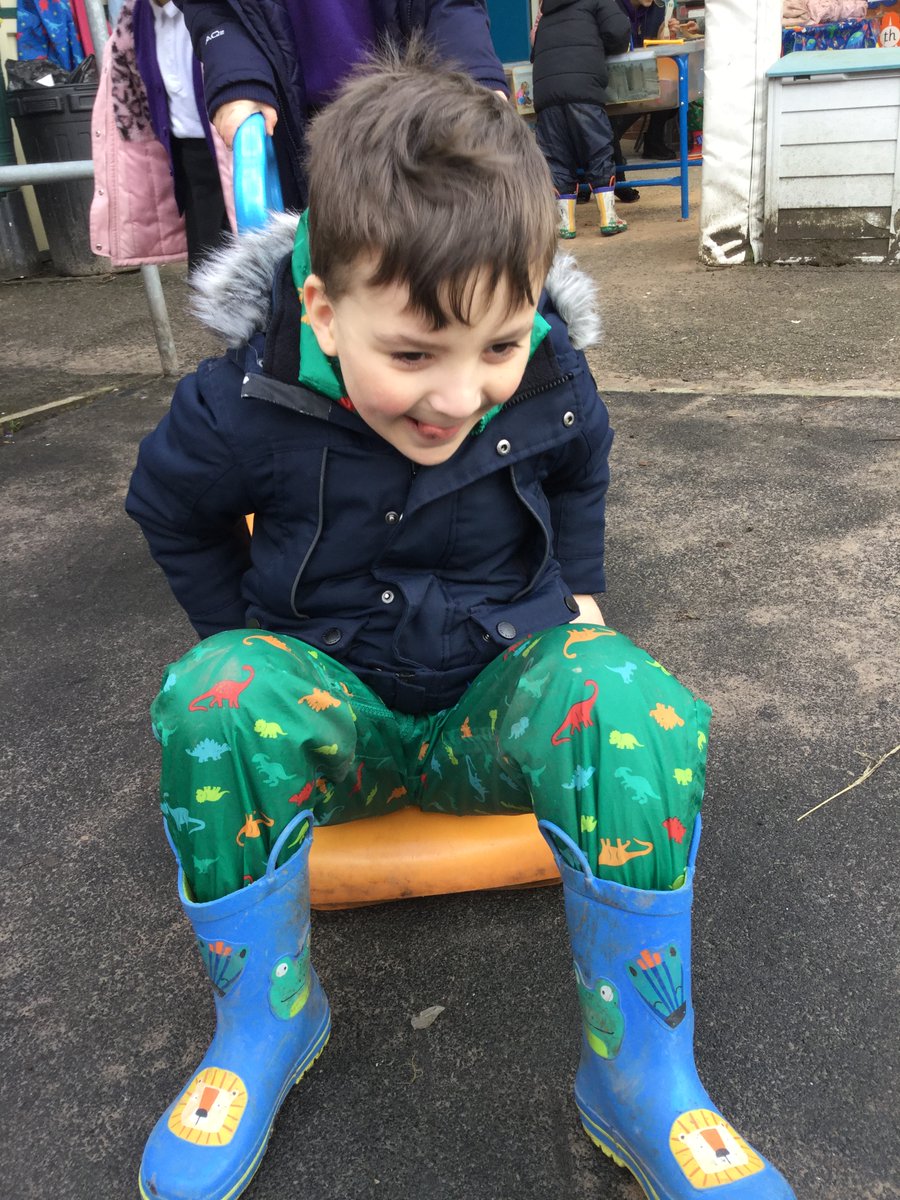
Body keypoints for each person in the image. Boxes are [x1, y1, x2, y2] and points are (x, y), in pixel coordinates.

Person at [125, 44, 795, 1200]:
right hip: (340, 716)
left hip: (497, 695)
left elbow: (585, 462)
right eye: (412, 354)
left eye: (498, 344)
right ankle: (266, 1024)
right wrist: (233, 636)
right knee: (216, 693)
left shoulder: (548, 368)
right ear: (327, 313)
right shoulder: (240, 400)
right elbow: (166, 508)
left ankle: (641, 1072)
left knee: (631, 694)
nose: (457, 394)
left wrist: (580, 584)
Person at [175, 0, 509, 211]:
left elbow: (451, 7)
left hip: (418, 112)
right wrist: (238, 72)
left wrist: (474, 75)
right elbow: (220, 10)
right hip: (303, 129)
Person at [90, 0, 230, 272]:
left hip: (244, 151)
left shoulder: (224, 10)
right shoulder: (134, 21)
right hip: (190, 160)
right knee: (208, 273)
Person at [531, 0, 632, 240]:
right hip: (582, 88)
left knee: (556, 156)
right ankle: (608, 218)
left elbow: (535, 50)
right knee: (597, 148)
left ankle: (565, 224)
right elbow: (618, 31)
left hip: (547, 92)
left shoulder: (546, 8)